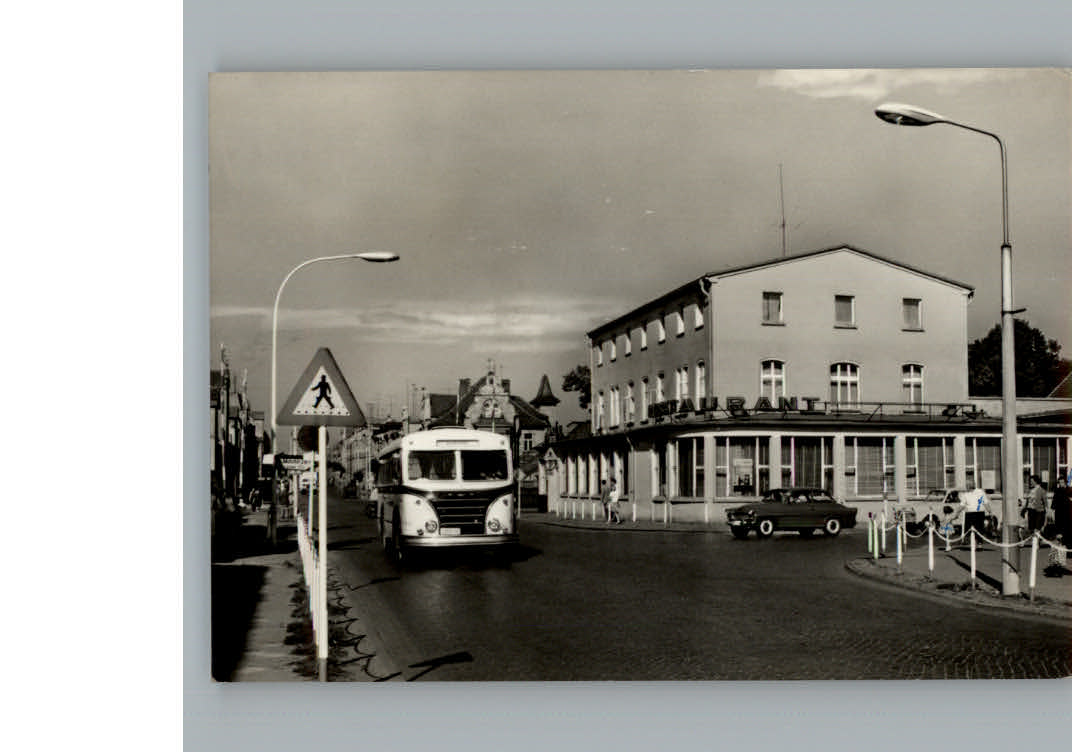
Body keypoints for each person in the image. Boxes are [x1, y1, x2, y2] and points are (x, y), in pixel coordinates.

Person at [1051, 476, 1071, 544]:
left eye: (1062, 482)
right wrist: (1053, 513)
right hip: (1059, 513)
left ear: (1065, 482)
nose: (1061, 484)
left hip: (1068, 513)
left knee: (1067, 528)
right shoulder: (1057, 491)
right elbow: (1054, 503)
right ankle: (1061, 542)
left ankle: (1067, 541)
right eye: (1059, 483)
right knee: (1059, 529)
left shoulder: (1070, 490)